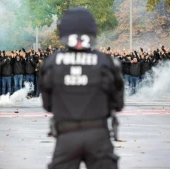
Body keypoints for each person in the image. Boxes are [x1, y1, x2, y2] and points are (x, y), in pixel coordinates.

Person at [38, 7, 124, 169]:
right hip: (98, 136)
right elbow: (118, 104)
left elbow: (47, 105)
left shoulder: (51, 63)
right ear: (93, 32)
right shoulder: (106, 62)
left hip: (66, 137)